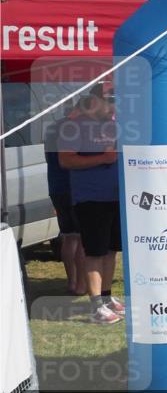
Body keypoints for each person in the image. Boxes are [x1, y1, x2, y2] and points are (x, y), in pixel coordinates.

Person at [58, 93, 123, 324]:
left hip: (116, 196)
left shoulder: (114, 125)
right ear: (93, 102)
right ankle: (96, 306)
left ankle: (105, 298)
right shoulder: (73, 127)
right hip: (91, 198)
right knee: (94, 251)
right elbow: (66, 160)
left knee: (111, 250)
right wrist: (103, 159)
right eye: (109, 100)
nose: (113, 105)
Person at [44, 104, 85, 296]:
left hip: (56, 186)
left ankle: (72, 281)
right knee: (81, 237)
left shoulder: (52, 127)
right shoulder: (73, 128)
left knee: (68, 236)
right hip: (73, 186)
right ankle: (82, 284)